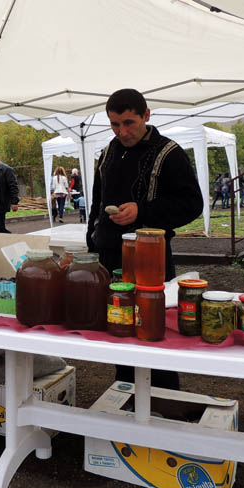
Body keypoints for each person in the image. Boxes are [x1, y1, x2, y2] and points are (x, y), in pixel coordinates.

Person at [87, 88, 203, 388]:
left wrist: (142, 210)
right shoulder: (108, 153)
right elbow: (97, 203)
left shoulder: (170, 153)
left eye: (129, 123)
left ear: (146, 116)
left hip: (150, 260)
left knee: (153, 331)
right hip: (109, 256)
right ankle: (126, 390)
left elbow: (192, 204)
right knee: (119, 328)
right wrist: (92, 242)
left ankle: (165, 396)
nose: (122, 132)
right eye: (115, 124)